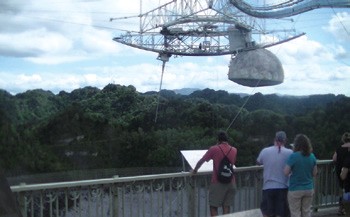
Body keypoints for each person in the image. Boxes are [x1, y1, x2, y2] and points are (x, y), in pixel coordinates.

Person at [191, 130, 237, 216]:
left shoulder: (214, 149)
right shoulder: (234, 150)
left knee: (213, 206)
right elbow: (233, 163)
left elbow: (202, 160)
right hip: (231, 182)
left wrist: (195, 170)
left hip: (217, 182)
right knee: (226, 207)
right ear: (227, 139)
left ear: (218, 140)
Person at [256, 131, 293, 217]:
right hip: (283, 187)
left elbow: (258, 162)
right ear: (285, 141)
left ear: (275, 139)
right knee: (282, 213)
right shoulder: (290, 153)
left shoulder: (265, 151)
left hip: (267, 187)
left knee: (267, 213)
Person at [284, 134, 317, 217]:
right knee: (306, 212)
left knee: (295, 213)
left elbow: (286, 172)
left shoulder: (293, 156)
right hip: (309, 188)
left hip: (295, 189)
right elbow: (314, 173)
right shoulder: (312, 156)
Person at [333, 132, 350, 215]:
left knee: (343, 190)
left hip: (341, 172)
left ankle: (341, 208)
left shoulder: (339, 148)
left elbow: (334, 158)